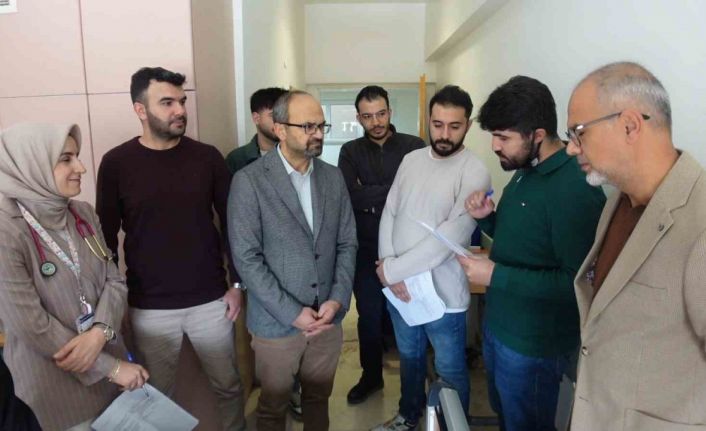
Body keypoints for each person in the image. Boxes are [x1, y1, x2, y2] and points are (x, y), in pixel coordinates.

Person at [96, 67, 245, 430]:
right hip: (149, 308)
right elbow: (104, 240)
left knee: (228, 387)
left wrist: (237, 284)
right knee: (156, 396)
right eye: (167, 102)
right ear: (140, 109)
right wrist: (115, 302)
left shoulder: (207, 158)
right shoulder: (116, 164)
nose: (180, 110)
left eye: (182, 101)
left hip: (212, 301)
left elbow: (234, 225)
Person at [459, 76, 606, 431]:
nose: (494, 146)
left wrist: (495, 275)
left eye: (503, 137)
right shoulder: (526, 169)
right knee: (506, 416)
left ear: (537, 135)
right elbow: (522, 241)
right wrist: (488, 218)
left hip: (535, 346)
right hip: (500, 327)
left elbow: (578, 283)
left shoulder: (575, 187)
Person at [565, 62, 706, 430]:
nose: (571, 148)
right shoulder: (617, 200)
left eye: (578, 133)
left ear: (629, 125)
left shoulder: (700, 220)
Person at [0, 123, 148, 431]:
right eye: (66, 159)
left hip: (110, 373)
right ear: (31, 164)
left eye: (77, 156)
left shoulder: (82, 213)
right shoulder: (7, 229)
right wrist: (111, 367)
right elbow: (31, 325)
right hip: (54, 387)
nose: (80, 167)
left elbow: (113, 281)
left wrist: (99, 334)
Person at [228, 90, 357, 431]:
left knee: (318, 399)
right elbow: (247, 258)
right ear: (280, 129)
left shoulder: (332, 177)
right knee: (273, 407)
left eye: (321, 126)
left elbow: (347, 243)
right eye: (307, 126)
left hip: (326, 319)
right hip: (276, 324)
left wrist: (338, 299)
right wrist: (291, 312)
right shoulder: (249, 181)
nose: (318, 134)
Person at [372, 85, 491, 431]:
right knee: (409, 360)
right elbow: (390, 211)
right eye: (437, 125)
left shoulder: (474, 171)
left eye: (454, 126)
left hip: (444, 295)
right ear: (428, 120)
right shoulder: (411, 160)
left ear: (468, 125)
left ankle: (454, 427)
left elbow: (449, 239)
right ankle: (408, 418)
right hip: (401, 290)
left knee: (449, 369)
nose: (444, 134)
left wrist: (392, 270)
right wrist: (388, 265)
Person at [338, 85, 425, 405]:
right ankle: (371, 377)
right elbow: (349, 195)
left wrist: (371, 194)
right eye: (368, 116)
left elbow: (419, 193)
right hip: (366, 249)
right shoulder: (350, 151)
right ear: (358, 117)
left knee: (411, 314)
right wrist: (395, 191)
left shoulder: (414, 147)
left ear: (390, 112)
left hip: (408, 249)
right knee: (369, 316)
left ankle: (413, 387)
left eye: (381, 114)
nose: (375, 122)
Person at [225, 87, 288, 175]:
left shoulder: (300, 153)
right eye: (274, 115)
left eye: (285, 115)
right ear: (256, 118)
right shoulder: (237, 159)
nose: (282, 121)